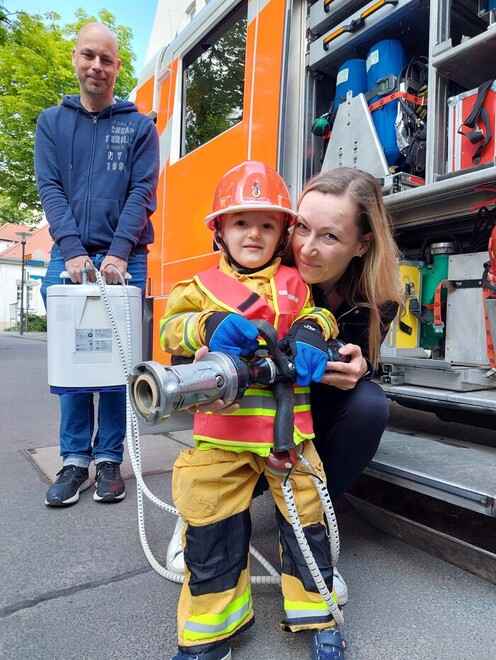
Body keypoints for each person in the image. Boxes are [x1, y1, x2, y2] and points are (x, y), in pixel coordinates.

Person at [160, 160, 347, 660]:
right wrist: (209, 325)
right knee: (211, 522)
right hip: (222, 435)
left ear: (283, 231)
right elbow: (169, 329)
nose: (254, 234)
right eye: (241, 221)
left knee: (308, 517)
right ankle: (212, 629)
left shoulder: (296, 283)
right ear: (218, 230)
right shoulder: (197, 286)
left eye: (268, 224)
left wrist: (312, 333)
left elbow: (321, 315)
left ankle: (319, 614)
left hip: (292, 435)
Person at [35, 22, 159, 507]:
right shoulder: (51, 122)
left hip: (126, 257)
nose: (97, 66)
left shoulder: (139, 127)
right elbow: (50, 188)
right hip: (69, 256)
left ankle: (109, 458)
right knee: (73, 359)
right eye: (89, 56)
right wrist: (72, 252)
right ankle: (73, 460)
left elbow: (142, 192)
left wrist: (117, 253)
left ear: (117, 67)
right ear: (75, 57)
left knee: (114, 363)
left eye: (106, 59)